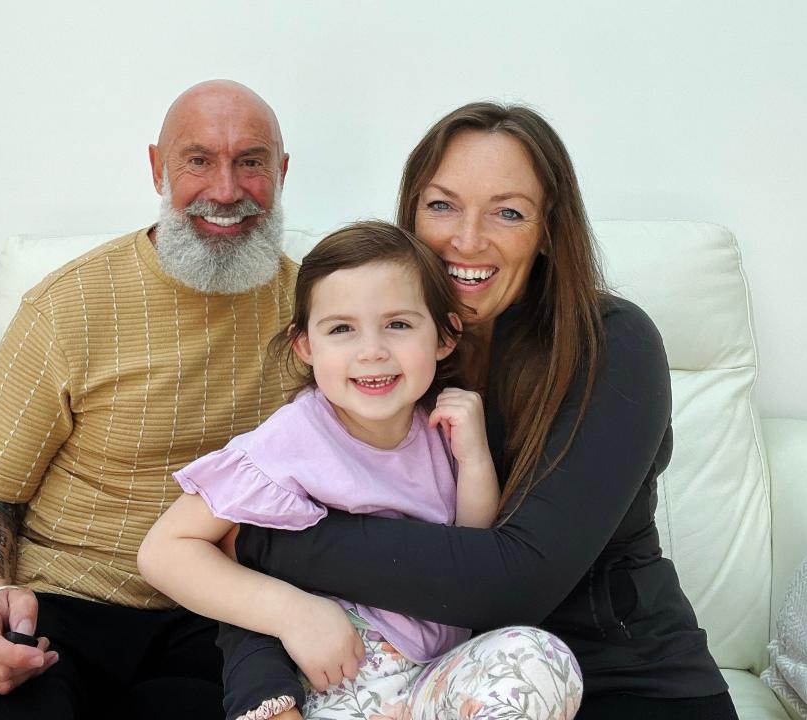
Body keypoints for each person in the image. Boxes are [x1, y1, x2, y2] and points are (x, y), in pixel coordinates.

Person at [228, 103, 740, 719]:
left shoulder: (611, 343)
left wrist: (265, 538)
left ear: (548, 228)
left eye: (509, 212)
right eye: (442, 205)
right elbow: (261, 547)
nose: (467, 240)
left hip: (623, 680)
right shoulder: (378, 361)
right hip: (440, 683)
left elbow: (514, 583)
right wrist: (262, 693)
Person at [0, 79, 303, 720]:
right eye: (199, 159)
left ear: (282, 172)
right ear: (157, 167)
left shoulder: (318, 312)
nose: (227, 190)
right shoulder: (68, 305)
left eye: (252, 161)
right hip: (52, 604)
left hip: (216, 618)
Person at [139, 221, 582, 719]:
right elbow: (164, 552)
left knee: (541, 656)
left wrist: (474, 458)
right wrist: (294, 614)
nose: (371, 350)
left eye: (398, 324)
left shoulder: (438, 425)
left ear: (445, 336)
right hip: (336, 679)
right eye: (342, 329)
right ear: (305, 346)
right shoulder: (294, 437)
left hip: (436, 675)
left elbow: (470, 550)